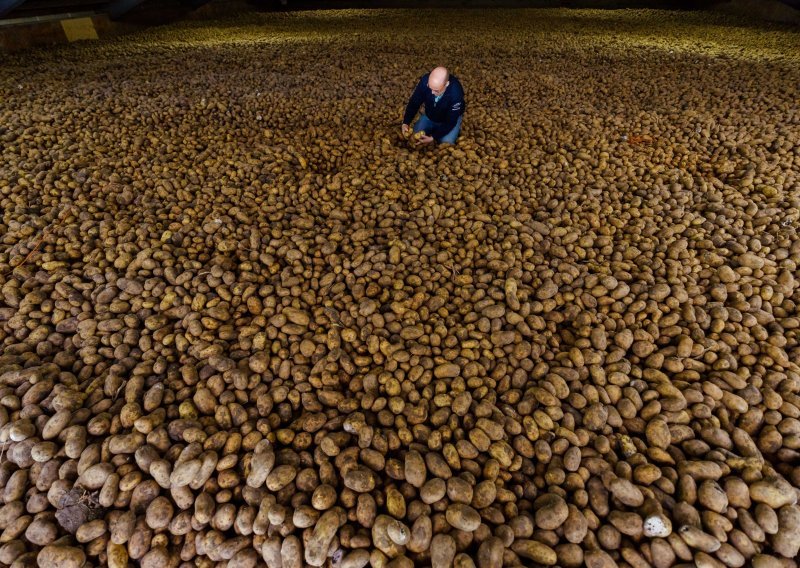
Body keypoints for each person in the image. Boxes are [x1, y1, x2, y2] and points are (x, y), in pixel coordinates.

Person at [402, 66, 465, 146]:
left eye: (436, 90)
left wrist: (433, 137)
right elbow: (414, 102)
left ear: (446, 84)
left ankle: (455, 129)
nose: (432, 92)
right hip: (430, 116)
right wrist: (406, 122)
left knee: (446, 143)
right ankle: (433, 127)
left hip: (448, 120)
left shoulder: (456, 93)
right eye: (430, 87)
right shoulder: (425, 81)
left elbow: (450, 121)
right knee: (414, 137)